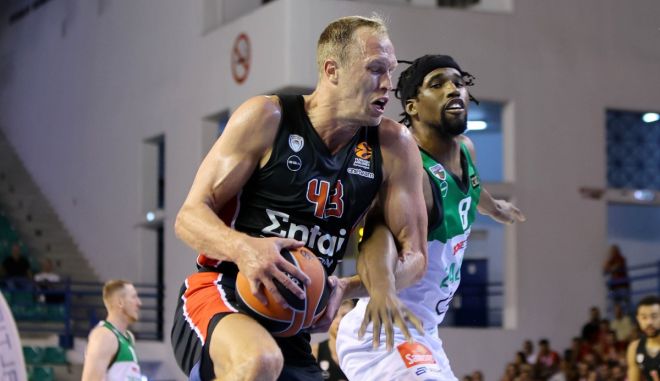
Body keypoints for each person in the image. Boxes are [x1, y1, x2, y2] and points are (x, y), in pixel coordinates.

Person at [171, 15, 428, 381]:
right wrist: (246, 249)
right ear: (332, 70)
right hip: (222, 293)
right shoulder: (267, 117)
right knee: (260, 361)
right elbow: (189, 217)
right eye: (375, 69)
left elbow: (415, 257)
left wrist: (345, 286)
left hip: (294, 318)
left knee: (271, 360)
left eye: (391, 70)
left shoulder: (393, 146)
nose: (388, 84)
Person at [337, 54, 525, 381]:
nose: (453, 89)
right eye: (437, 85)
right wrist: (379, 289)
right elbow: (376, 232)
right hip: (384, 332)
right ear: (412, 107)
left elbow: (471, 191)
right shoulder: (414, 173)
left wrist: (497, 210)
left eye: (459, 82)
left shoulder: (466, 149)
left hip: (425, 333)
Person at [81, 280, 142, 381]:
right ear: (120, 302)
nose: (139, 303)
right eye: (134, 297)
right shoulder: (104, 336)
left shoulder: (129, 337)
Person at [311, 299, 355, 381]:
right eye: (335, 316)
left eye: (345, 315)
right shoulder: (315, 350)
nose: (339, 321)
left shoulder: (362, 352)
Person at [626, 295, 660, 381]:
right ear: (638, 319)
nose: (649, 322)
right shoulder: (634, 348)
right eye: (644, 317)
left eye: (654, 316)